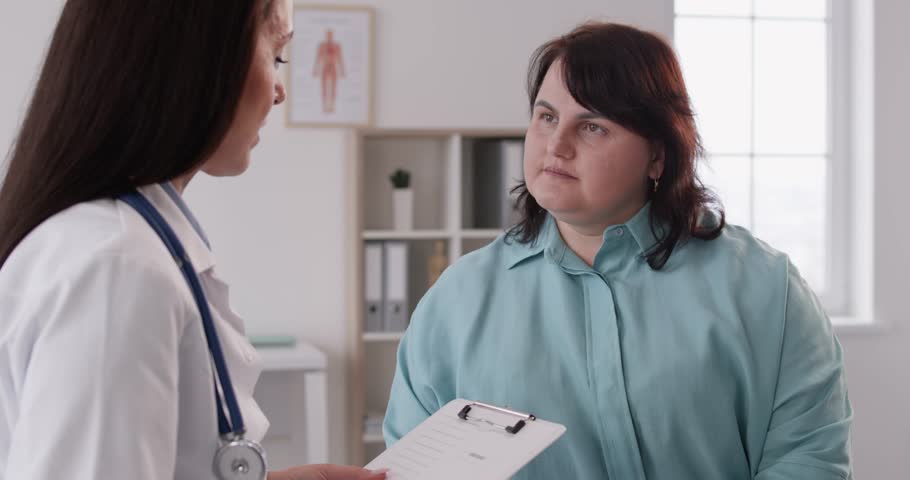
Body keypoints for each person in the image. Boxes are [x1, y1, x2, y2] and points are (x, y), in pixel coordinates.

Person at [383, 22, 852, 479]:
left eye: (593, 127)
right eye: (547, 117)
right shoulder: (457, 300)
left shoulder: (767, 289)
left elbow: (809, 460)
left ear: (658, 155)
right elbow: (410, 466)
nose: (556, 145)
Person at [0, 1, 384, 479]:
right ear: (198, 58)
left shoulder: (128, 243)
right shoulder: (117, 267)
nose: (281, 90)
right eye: (277, 55)